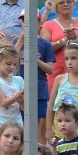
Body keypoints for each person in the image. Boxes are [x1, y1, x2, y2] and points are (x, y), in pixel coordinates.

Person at [40, 0, 78, 93]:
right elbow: (44, 49)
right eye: (61, 2)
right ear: (55, 7)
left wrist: (76, 38)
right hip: (55, 73)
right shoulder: (48, 25)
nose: (65, 4)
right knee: (54, 105)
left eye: (69, 2)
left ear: (74, 5)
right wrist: (63, 40)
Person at [13, 12, 55, 144]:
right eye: (24, 21)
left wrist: (35, 60)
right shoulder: (16, 41)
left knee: (39, 120)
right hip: (20, 88)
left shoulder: (45, 44)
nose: (28, 24)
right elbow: (8, 61)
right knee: (22, 121)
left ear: (40, 24)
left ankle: (40, 149)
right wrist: (20, 41)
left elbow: (50, 69)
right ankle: (24, 150)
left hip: (39, 87)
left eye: (32, 21)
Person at [45, 40, 78, 140]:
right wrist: (48, 129)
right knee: (59, 152)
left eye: (73, 58)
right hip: (59, 126)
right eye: (66, 59)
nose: (69, 62)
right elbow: (51, 105)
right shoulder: (60, 79)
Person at [0, 44, 24, 153]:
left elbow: (24, 107)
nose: (12, 67)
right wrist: (16, 97)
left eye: (15, 64)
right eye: (8, 63)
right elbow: (3, 102)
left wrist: (21, 100)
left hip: (17, 125)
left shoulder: (19, 80)